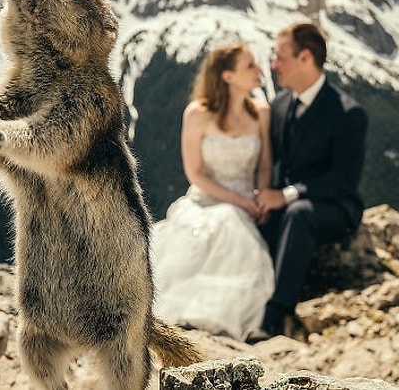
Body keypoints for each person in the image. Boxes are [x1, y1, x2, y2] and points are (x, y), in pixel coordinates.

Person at [149, 42, 276, 341]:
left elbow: (266, 164)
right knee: (213, 227)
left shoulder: (261, 112)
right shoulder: (197, 113)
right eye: (250, 66)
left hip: (247, 201)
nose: (260, 70)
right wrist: (239, 202)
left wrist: (262, 196)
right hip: (206, 199)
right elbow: (195, 172)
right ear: (227, 76)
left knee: (233, 233)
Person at [254, 22, 368, 340]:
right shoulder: (279, 106)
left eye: (279, 57)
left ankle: (275, 317)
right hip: (290, 206)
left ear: (305, 58)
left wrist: (287, 195)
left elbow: (344, 179)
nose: (273, 65)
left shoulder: (348, 113)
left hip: (334, 207)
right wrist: (261, 197)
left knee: (298, 213)